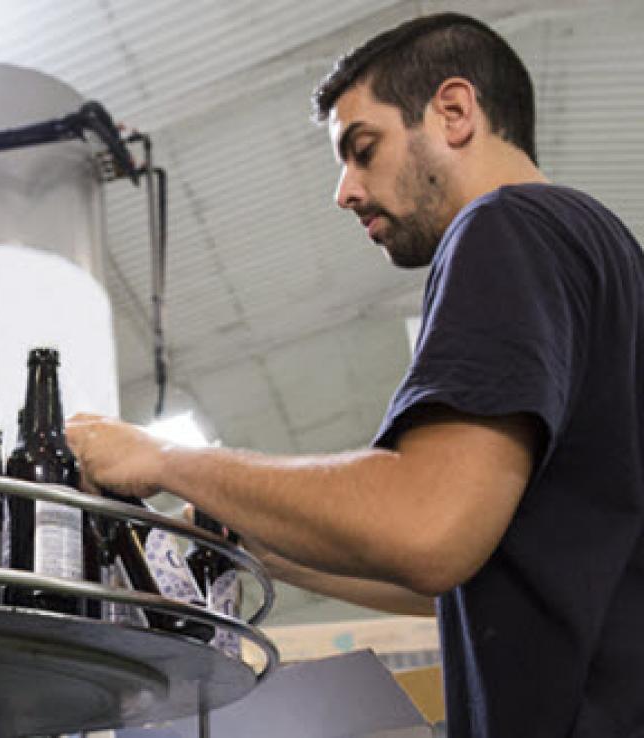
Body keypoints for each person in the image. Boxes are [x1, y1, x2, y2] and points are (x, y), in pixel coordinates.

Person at [67, 12, 644, 738]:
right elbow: (472, 576)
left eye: (362, 149)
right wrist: (239, 537)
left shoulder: (505, 228)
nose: (345, 191)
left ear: (455, 112)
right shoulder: (606, 257)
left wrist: (165, 458)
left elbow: (427, 530)